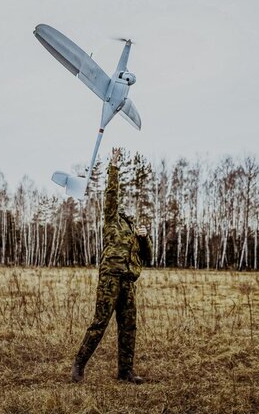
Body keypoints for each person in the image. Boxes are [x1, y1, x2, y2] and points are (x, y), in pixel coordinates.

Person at [71, 147, 152, 384]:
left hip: (129, 282)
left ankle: (125, 371)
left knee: (129, 327)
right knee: (99, 323)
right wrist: (114, 167)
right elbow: (111, 195)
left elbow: (148, 256)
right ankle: (79, 364)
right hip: (110, 280)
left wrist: (144, 237)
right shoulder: (111, 222)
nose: (124, 213)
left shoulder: (134, 230)